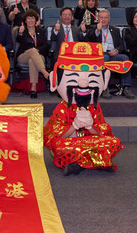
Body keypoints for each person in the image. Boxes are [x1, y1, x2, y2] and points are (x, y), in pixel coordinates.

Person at [42, 41, 130, 175]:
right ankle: (97, 162)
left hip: (89, 142)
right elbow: (52, 138)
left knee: (114, 142)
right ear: (55, 80)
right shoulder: (62, 108)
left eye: (92, 78)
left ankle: (78, 165)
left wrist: (90, 127)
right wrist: (74, 126)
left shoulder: (94, 106)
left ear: (105, 81)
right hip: (70, 143)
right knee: (59, 147)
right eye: (73, 77)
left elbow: (102, 133)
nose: (83, 83)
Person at [85, 9, 134, 98]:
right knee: (105, 58)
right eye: (101, 17)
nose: (103, 20)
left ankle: (126, 87)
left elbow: (121, 45)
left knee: (125, 59)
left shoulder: (115, 30)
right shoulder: (92, 28)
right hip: (100, 54)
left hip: (114, 54)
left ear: (109, 19)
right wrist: (97, 31)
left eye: (105, 18)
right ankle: (105, 88)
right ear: (98, 19)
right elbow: (90, 40)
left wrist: (117, 50)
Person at [14, 10, 50, 99]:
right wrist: (20, 33)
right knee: (32, 51)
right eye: (28, 18)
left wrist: (38, 49)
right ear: (25, 21)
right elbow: (19, 40)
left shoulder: (41, 31)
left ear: (36, 20)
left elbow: (46, 45)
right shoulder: (22, 30)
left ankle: (33, 88)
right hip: (23, 55)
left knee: (32, 60)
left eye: (32, 18)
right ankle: (45, 73)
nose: (30, 20)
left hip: (38, 55)